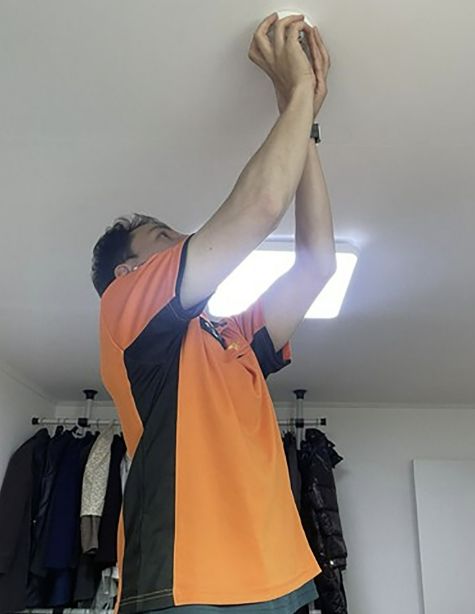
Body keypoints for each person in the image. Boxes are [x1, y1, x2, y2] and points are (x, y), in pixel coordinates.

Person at [91, 12, 335, 614]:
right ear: (127, 273)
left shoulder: (230, 334)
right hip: (189, 584)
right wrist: (297, 95)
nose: (183, 239)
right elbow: (260, 207)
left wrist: (304, 123)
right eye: (162, 235)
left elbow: (317, 266)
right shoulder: (126, 310)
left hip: (279, 578)